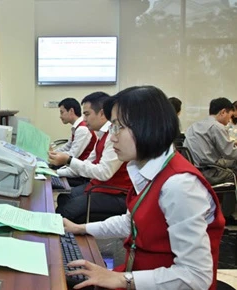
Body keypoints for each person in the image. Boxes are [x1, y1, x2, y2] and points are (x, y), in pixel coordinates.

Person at [64, 85, 225, 290]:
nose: (112, 136)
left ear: (146, 126)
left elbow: (196, 276)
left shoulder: (180, 186)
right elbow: (131, 222)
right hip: (140, 276)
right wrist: (81, 229)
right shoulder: (146, 168)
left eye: (118, 127)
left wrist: (123, 279)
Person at [48, 92, 132, 224]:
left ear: (102, 114)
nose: (84, 119)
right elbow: (87, 162)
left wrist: (68, 161)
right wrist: (54, 173)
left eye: (87, 114)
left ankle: (69, 241)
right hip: (100, 185)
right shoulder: (101, 134)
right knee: (64, 198)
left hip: (116, 193)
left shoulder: (112, 135)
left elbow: (104, 173)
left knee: (66, 212)